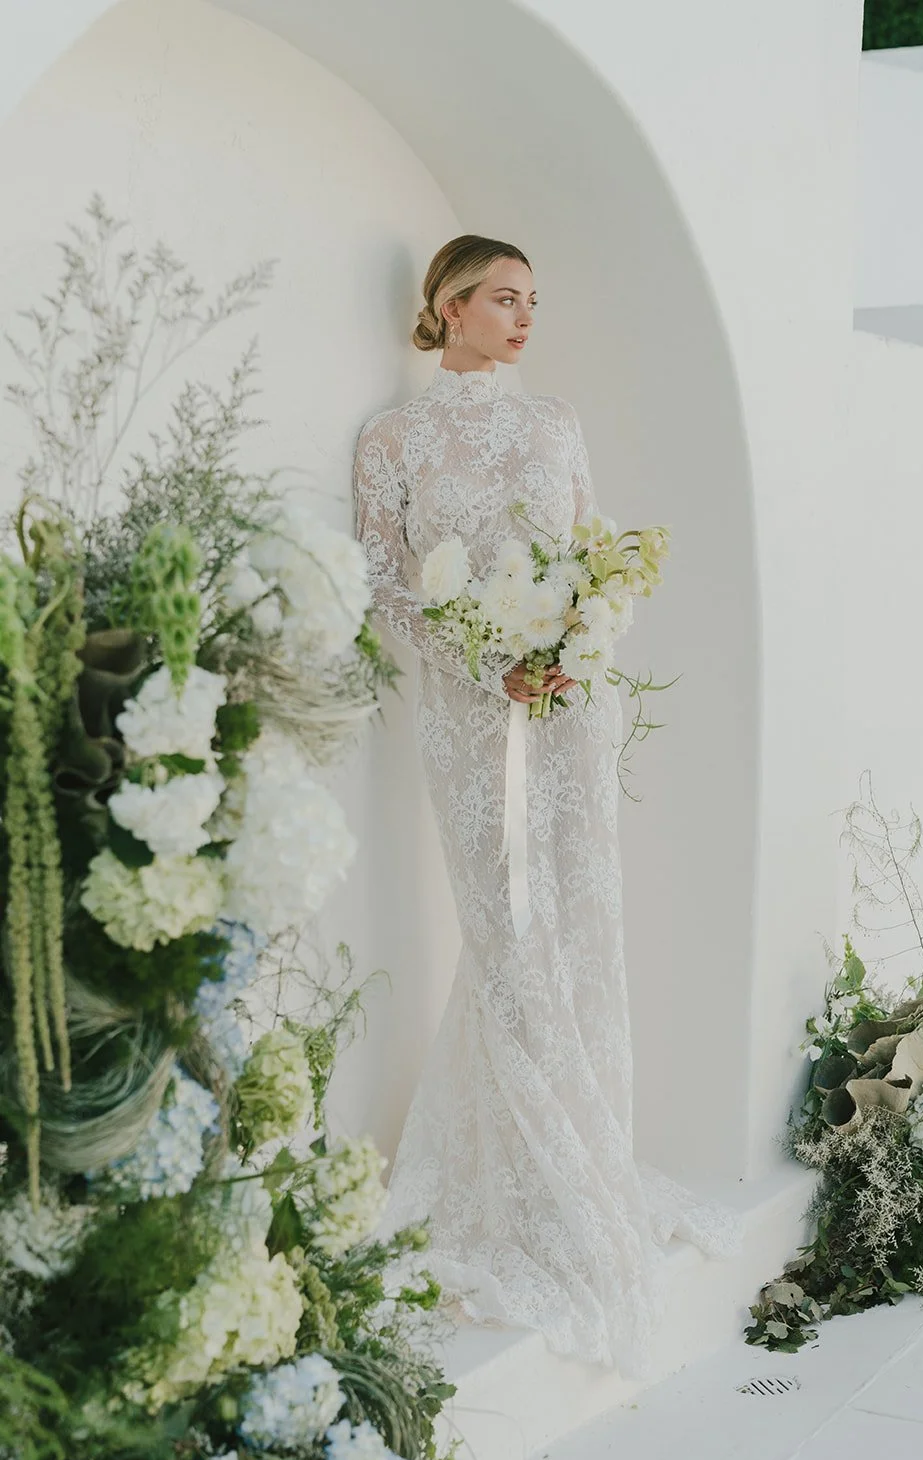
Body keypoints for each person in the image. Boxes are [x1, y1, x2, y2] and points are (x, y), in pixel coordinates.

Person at [352, 234, 740, 1379]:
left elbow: (592, 553)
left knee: (570, 916)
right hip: (470, 718)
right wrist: (483, 661)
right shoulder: (393, 437)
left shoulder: (553, 422)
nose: (524, 317)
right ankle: (536, 1183)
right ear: (448, 307)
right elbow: (382, 576)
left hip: (568, 703)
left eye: (533, 301)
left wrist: (575, 646)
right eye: (503, 299)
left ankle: (578, 1159)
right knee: (503, 927)